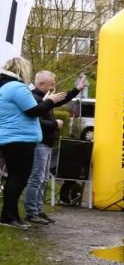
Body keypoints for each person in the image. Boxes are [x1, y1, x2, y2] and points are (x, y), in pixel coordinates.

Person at [1, 59, 79, 228]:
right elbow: (33, 111)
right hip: (20, 138)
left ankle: (11, 215)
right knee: (19, 179)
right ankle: (8, 216)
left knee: (14, 179)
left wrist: (51, 100)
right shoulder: (17, 87)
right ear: (22, 70)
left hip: (10, 138)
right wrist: (50, 101)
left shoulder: (5, 87)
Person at [25, 70, 83, 223]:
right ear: (41, 84)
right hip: (40, 143)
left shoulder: (44, 97)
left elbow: (61, 100)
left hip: (46, 144)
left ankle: (38, 209)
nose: (53, 88)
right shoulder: (34, 98)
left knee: (43, 179)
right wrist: (55, 124)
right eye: (51, 85)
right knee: (36, 178)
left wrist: (76, 90)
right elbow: (35, 122)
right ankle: (31, 212)